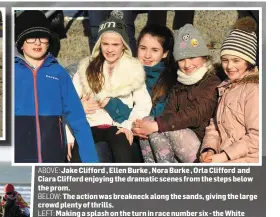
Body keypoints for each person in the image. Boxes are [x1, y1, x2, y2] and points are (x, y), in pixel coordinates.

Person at [14, 10, 98, 163]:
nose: (38, 42)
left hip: (53, 155)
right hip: (20, 156)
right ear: (21, 43)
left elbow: (78, 119)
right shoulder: (11, 74)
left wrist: (91, 162)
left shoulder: (58, 72)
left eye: (43, 37)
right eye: (31, 37)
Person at [68, 11, 152, 163]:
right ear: (99, 44)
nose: (110, 49)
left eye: (115, 44)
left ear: (124, 45)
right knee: (80, 150)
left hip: (119, 126)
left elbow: (144, 103)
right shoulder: (86, 68)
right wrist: (70, 133)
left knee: (122, 147)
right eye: (105, 44)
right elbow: (68, 102)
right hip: (90, 126)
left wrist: (129, 125)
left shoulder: (133, 69)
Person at [132, 24, 221, 162]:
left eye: (192, 57)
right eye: (182, 59)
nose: (187, 64)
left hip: (201, 144)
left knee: (155, 124)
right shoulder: (180, 81)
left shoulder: (212, 81)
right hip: (178, 138)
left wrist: (156, 125)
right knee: (148, 123)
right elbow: (169, 112)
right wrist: (149, 126)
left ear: (204, 57)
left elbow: (196, 113)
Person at [200, 18, 259, 163]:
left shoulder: (254, 90)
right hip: (225, 155)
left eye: (236, 60)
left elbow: (258, 136)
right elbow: (215, 125)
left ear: (248, 62)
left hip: (249, 158)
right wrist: (209, 149)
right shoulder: (225, 87)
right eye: (225, 60)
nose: (229, 66)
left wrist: (225, 156)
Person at [133, 24, 179, 163]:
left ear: (165, 53)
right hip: (133, 132)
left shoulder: (171, 77)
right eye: (143, 48)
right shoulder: (129, 72)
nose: (147, 55)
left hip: (161, 135)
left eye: (154, 50)